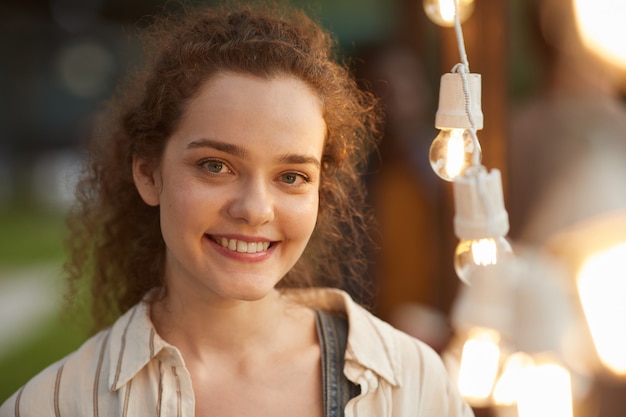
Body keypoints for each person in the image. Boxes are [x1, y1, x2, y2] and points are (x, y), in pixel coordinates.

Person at [0, 2, 473, 416]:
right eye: (216, 166)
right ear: (148, 172)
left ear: (320, 191)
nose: (255, 209)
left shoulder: (410, 386)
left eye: (292, 176)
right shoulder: (58, 406)